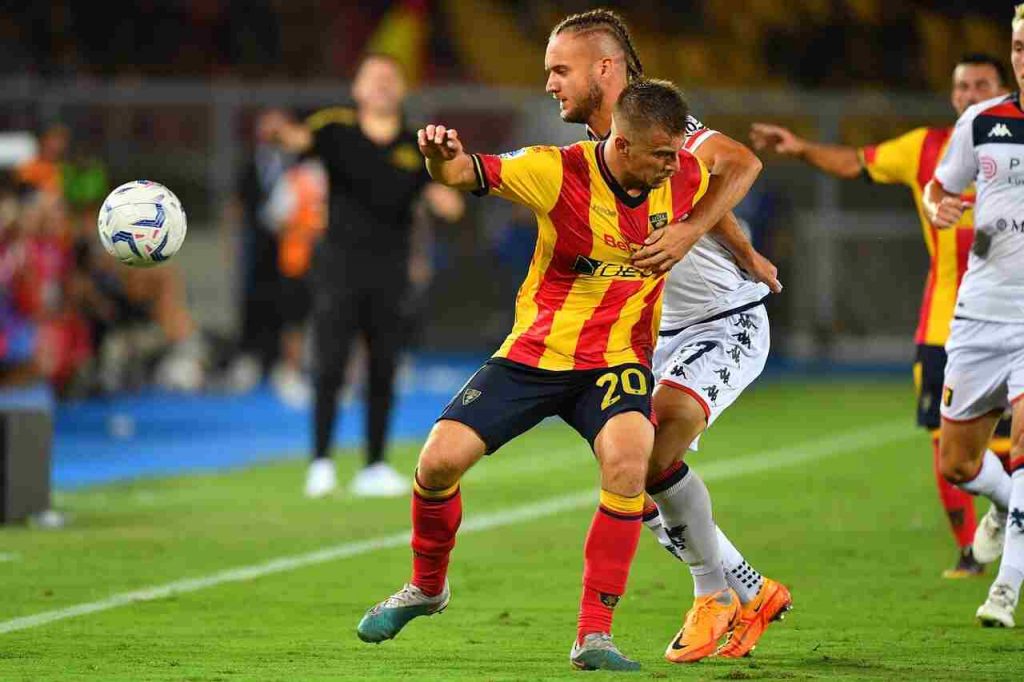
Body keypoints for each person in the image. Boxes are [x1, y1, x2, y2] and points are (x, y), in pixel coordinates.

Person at [357, 79, 709, 672]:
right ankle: (426, 587)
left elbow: (736, 171)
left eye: (678, 153)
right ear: (621, 144)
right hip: (533, 354)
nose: (675, 166)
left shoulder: (685, 177)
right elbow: (467, 174)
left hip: (617, 361)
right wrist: (439, 160)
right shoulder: (555, 171)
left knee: (629, 463)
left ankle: (593, 635)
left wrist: (698, 230)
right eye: (661, 155)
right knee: (437, 462)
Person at [544, 9, 791, 662]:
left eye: (560, 69)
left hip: (723, 322)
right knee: (627, 465)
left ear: (605, 68)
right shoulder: (594, 150)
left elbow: (737, 164)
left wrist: (699, 239)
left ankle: (712, 592)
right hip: (649, 335)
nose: (550, 83)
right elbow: (702, 193)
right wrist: (740, 243)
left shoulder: (656, 121)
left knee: (652, 444)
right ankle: (748, 588)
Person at [750, 54, 1010, 578]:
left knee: (1012, 441)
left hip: (1015, 320)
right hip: (945, 324)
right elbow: (856, 162)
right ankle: (969, 550)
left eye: (981, 84)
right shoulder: (926, 148)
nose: (969, 93)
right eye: (961, 86)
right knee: (947, 444)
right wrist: (801, 148)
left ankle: (1010, 523)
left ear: (1003, 90)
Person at [270, 53, 464, 498]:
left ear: (401, 90)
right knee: (330, 365)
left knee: (383, 368)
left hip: (391, 271)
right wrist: (280, 131)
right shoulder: (336, 127)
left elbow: (445, 200)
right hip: (338, 267)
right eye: (372, 77)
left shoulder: (416, 144)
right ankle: (320, 463)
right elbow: (296, 141)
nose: (380, 84)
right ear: (357, 89)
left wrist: (448, 183)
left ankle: (374, 465)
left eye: (389, 77)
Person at [922, 4, 1024, 627]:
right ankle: (1006, 505)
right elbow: (941, 186)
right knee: (958, 462)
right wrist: (939, 207)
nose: (1022, 56)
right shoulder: (982, 122)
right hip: (980, 313)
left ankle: (1005, 589)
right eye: (1016, 45)